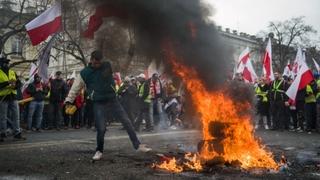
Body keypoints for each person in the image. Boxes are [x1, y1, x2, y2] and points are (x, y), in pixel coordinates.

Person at [65, 50, 152, 161]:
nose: (97, 65)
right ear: (91, 60)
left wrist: (130, 53)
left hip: (112, 100)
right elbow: (75, 88)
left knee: (127, 122)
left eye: (99, 63)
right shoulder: (85, 73)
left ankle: (138, 145)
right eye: (95, 63)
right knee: (101, 128)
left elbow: (122, 66)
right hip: (98, 102)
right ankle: (99, 150)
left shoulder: (107, 66)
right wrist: (68, 101)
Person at [0, 57, 26, 141]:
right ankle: (2, 133)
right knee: (2, 117)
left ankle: (17, 133)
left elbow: (19, 83)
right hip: (3, 97)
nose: (7, 64)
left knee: (16, 116)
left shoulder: (12, 72)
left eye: (7, 63)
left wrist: (15, 86)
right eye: (5, 63)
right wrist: (7, 82)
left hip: (13, 97)